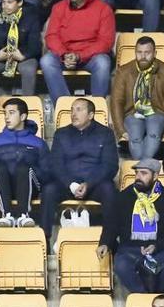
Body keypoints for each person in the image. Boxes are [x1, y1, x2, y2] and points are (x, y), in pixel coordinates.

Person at [99, 158, 164, 293]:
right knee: (121, 265)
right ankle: (145, 298)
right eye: (137, 173)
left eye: (144, 173)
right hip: (131, 251)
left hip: (160, 252)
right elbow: (112, 224)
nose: (138, 177)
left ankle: (155, 296)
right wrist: (105, 243)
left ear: (155, 176)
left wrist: (157, 246)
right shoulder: (124, 197)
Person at [41, 97, 118, 233]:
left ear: (91, 115)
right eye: (72, 110)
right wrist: (71, 184)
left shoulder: (105, 134)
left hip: (94, 185)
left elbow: (110, 166)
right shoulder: (61, 133)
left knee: (109, 189)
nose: (73, 114)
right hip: (67, 185)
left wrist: (89, 184)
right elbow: (55, 164)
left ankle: (109, 240)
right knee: (48, 190)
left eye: (78, 110)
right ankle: (44, 238)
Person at [41, 0, 115, 96]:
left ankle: (97, 109)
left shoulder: (104, 9)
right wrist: (64, 54)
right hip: (64, 55)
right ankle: (64, 107)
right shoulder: (59, 7)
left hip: (90, 57)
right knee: (46, 60)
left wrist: (79, 56)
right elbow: (51, 36)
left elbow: (105, 42)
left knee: (103, 62)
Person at [0, 97, 47, 227]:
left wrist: (32, 173)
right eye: (5, 113)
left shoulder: (38, 143)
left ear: (23, 116)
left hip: (30, 186)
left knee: (23, 167)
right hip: (1, 185)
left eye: (11, 113)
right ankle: (7, 215)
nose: (6, 117)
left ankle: (23, 215)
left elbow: (47, 170)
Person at [109, 36, 164, 160]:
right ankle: (146, 167)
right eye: (139, 52)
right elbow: (116, 101)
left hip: (157, 112)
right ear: (135, 52)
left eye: (147, 52)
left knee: (153, 134)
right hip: (132, 112)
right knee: (135, 137)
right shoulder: (123, 71)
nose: (143, 56)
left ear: (155, 53)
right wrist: (120, 130)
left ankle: (141, 168)